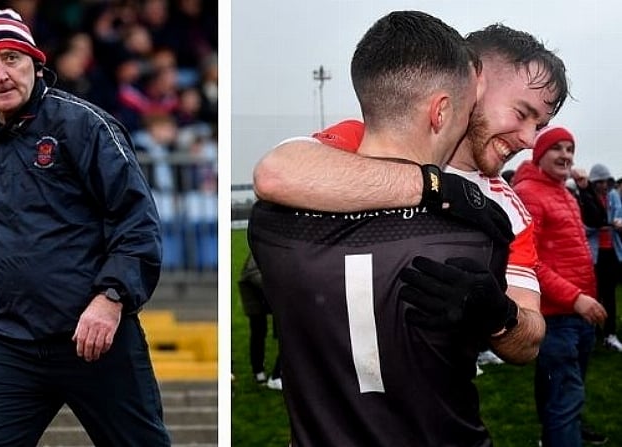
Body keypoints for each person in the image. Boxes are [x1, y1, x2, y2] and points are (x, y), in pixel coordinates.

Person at [249, 11, 516, 446]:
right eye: (467, 110)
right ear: (441, 111)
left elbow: (281, 172)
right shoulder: (475, 231)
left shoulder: (269, 224)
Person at [253, 23, 573, 365]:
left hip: (436, 406)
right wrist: (436, 188)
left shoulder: (508, 208)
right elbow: (275, 174)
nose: (528, 139)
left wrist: (500, 316)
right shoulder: (370, 141)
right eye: (522, 113)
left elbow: (528, 344)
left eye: (539, 126)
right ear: (473, 84)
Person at [0, 9, 170, 446]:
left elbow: (136, 222)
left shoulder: (85, 125)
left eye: (12, 58)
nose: (1, 74)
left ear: (36, 64)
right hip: (10, 343)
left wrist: (111, 299)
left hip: (94, 336)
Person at [512, 125, 608, 447]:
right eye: (558, 148)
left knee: (563, 388)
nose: (566, 155)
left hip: (577, 312)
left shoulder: (563, 191)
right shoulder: (529, 192)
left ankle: (560, 431)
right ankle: (562, 432)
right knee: (567, 395)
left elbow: (589, 229)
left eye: (570, 149)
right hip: (558, 315)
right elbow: (529, 261)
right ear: (539, 155)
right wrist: (576, 298)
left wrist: (582, 299)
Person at [578, 163, 622, 352]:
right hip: (593, 254)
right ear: (594, 182)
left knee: (610, 295)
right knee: (592, 295)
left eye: (607, 181)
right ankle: (592, 331)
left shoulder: (613, 196)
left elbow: (619, 217)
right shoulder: (586, 198)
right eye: (601, 181)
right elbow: (582, 227)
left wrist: (617, 224)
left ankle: (610, 333)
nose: (604, 185)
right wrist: (599, 226)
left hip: (612, 251)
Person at [237, 251, 282, 390]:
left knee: (283, 331)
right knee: (258, 331)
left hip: (272, 294)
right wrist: (274, 285)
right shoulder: (259, 250)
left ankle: (278, 373)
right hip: (253, 295)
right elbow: (251, 272)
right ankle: (259, 371)